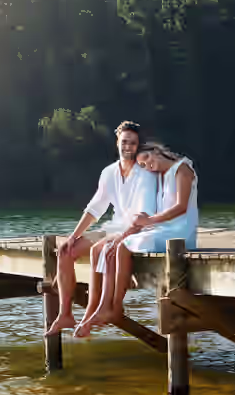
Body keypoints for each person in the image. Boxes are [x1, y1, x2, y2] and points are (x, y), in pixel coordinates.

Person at [44, 121, 158, 336]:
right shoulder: (109, 173)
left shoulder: (145, 175)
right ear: (117, 143)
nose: (128, 147)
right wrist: (73, 236)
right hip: (113, 227)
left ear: (138, 146)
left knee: (101, 248)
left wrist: (120, 237)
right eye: (124, 142)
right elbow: (95, 209)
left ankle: (95, 312)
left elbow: (144, 215)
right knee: (64, 251)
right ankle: (65, 314)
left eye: (133, 143)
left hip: (136, 231)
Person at [74, 142, 198, 337]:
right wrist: (130, 229)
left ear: (156, 151)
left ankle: (114, 307)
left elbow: (181, 207)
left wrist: (148, 220)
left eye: (147, 159)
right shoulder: (159, 177)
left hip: (179, 232)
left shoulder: (183, 170)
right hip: (160, 230)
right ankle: (102, 306)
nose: (148, 166)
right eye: (142, 165)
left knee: (123, 246)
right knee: (109, 246)